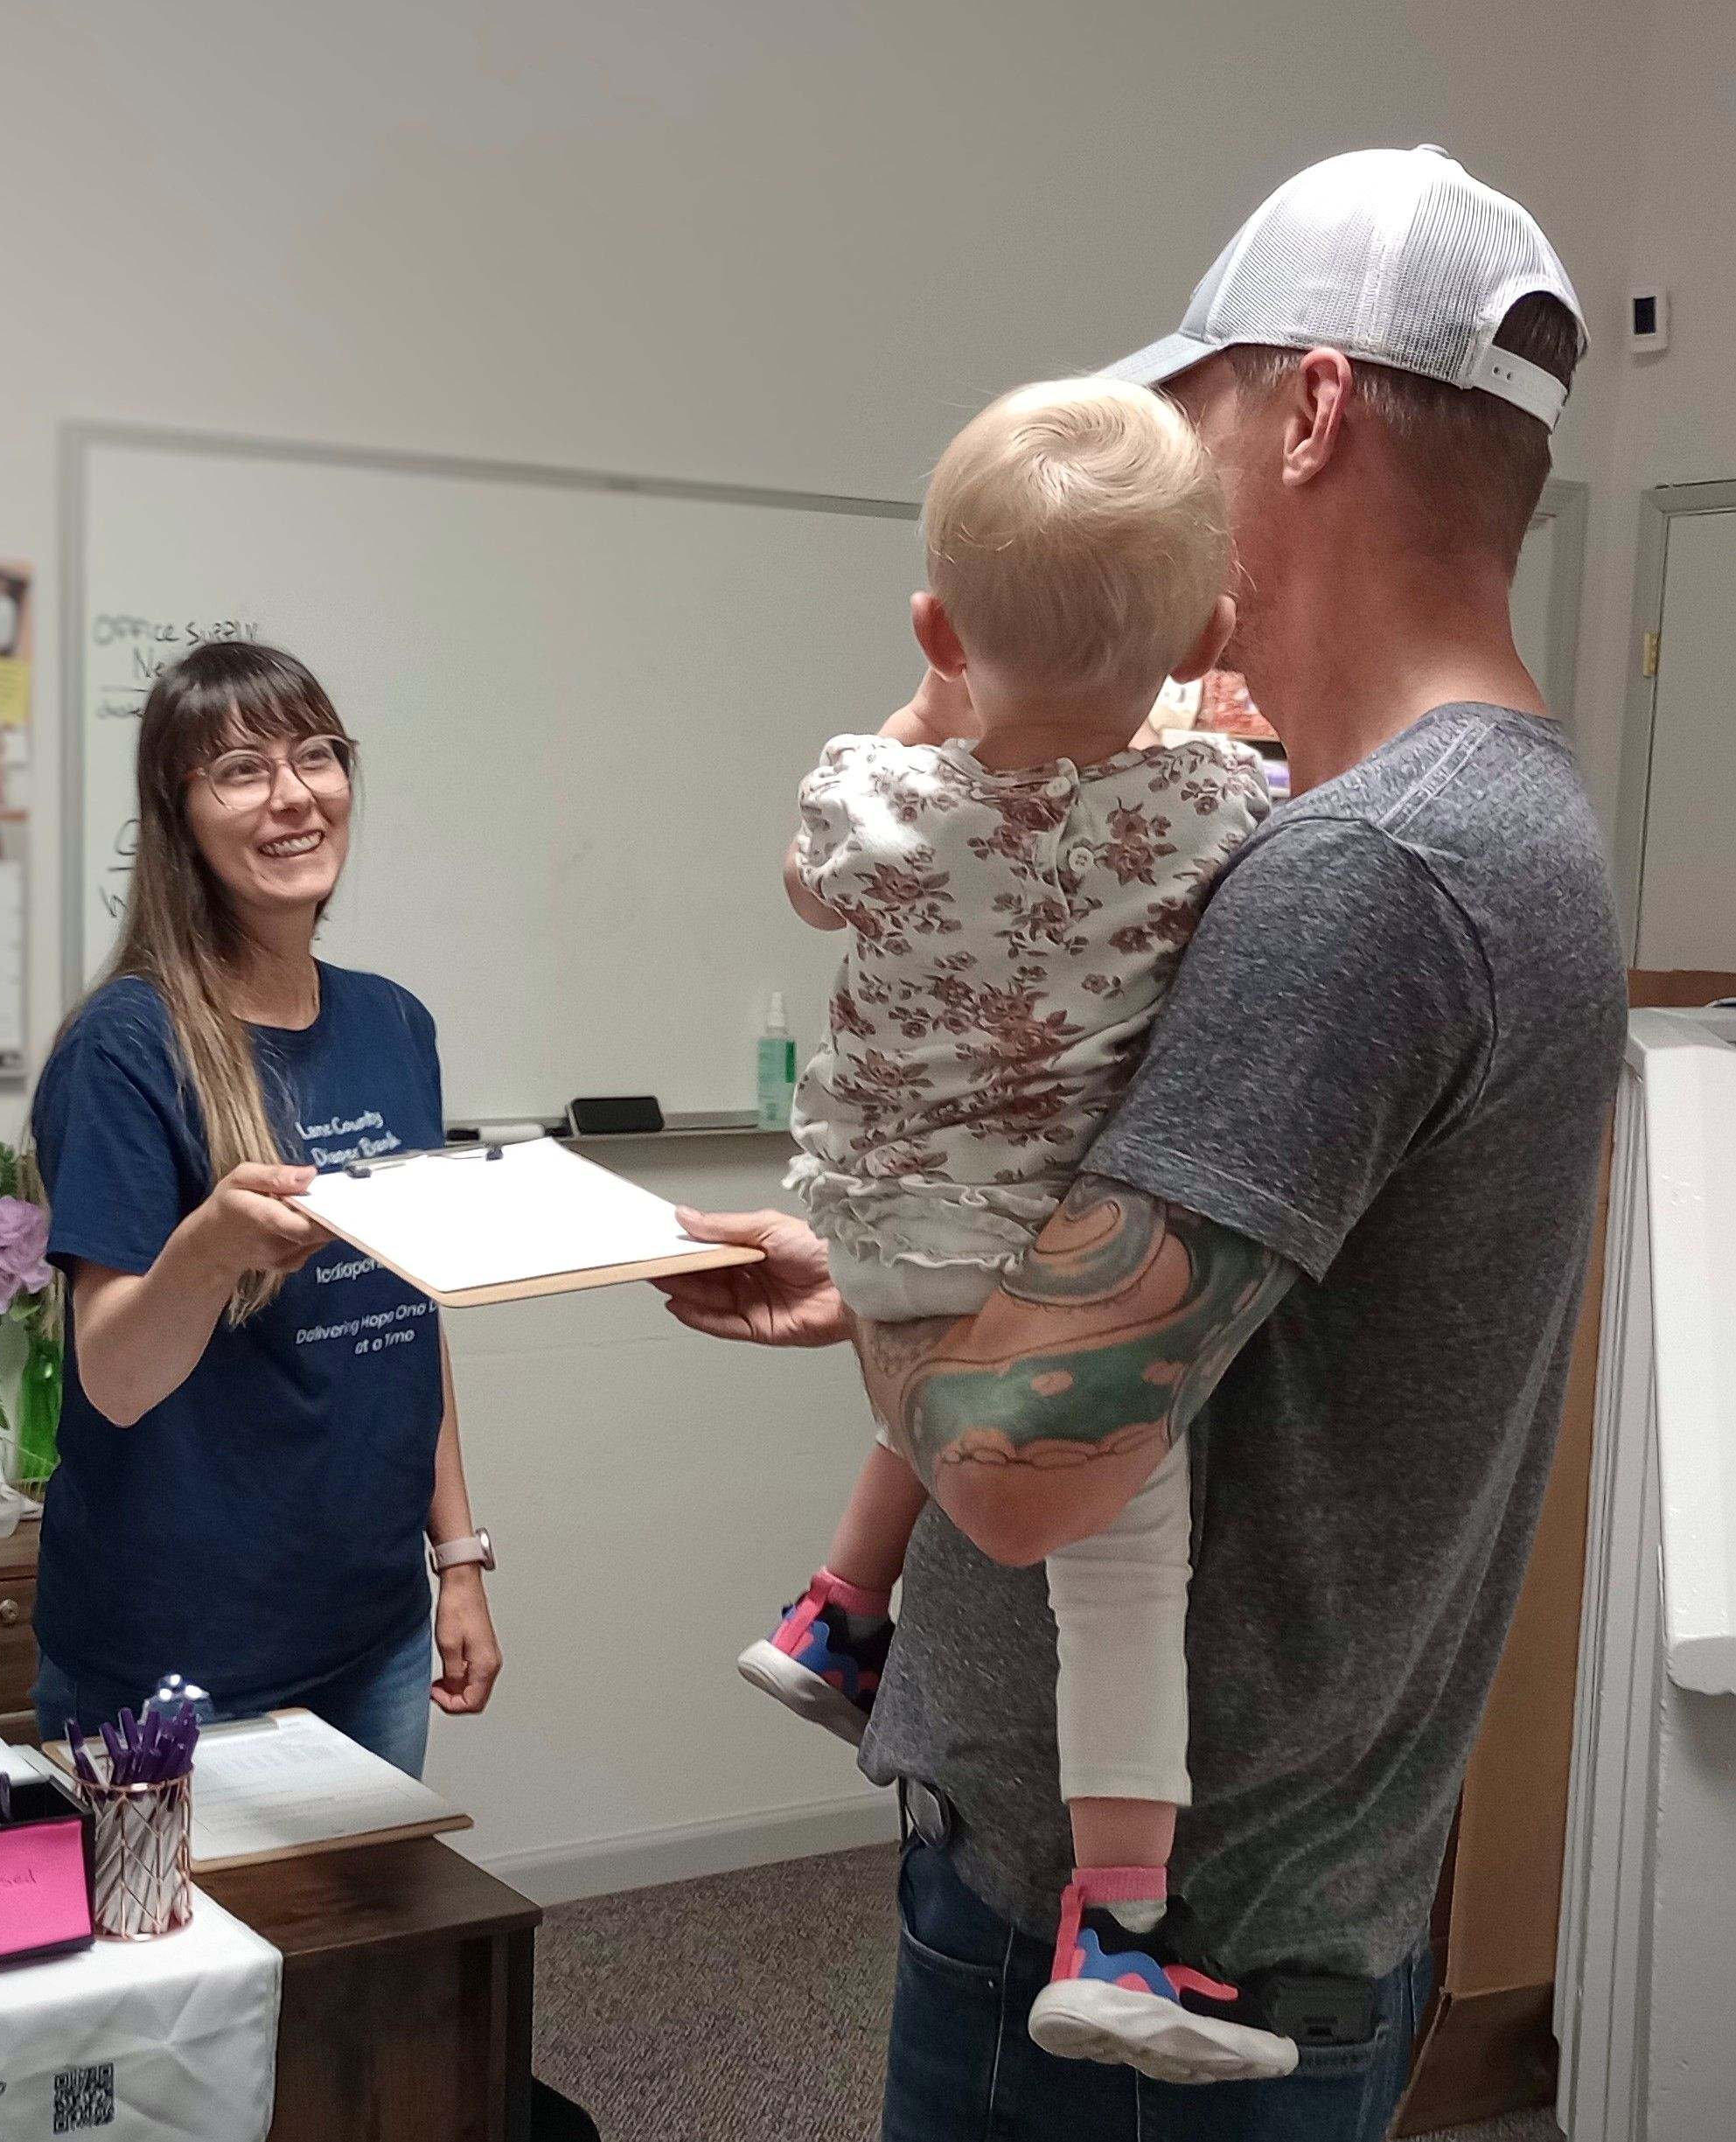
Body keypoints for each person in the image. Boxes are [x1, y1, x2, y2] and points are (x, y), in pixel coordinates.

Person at [664, 146, 1622, 2139]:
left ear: (1315, 408)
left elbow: (1017, 1473)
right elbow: (1244, 1311)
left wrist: (914, 1281)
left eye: (1186, 422)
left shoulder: (1359, 873)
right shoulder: (1493, 818)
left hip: (1144, 1956)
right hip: (1295, 1895)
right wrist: (885, 1268)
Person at [740, 377, 1280, 2081]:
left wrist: (925, 709)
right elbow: (1282, 809)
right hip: (1054, 1242)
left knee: (936, 1378)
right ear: (1210, 628)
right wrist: (1218, 711)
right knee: (1128, 1575)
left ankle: (840, 1607)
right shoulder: (1202, 802)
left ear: (934, 623)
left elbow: (808, 882)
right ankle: (1117, 1921)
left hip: (881, 1222)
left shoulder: (881, 797)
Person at [27, 638, 502, 1776]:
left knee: (359, 1957)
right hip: (175, 1659)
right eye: (240, 769)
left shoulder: (393, 1025)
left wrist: (460, 1556)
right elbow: (114, 1376)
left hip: (370, 1629)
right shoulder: (125, 1047)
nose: (293, 795)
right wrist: (211, 1245)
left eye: (316, 756)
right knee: (186, 1961)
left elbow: (404, 1313)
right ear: (176, 814)